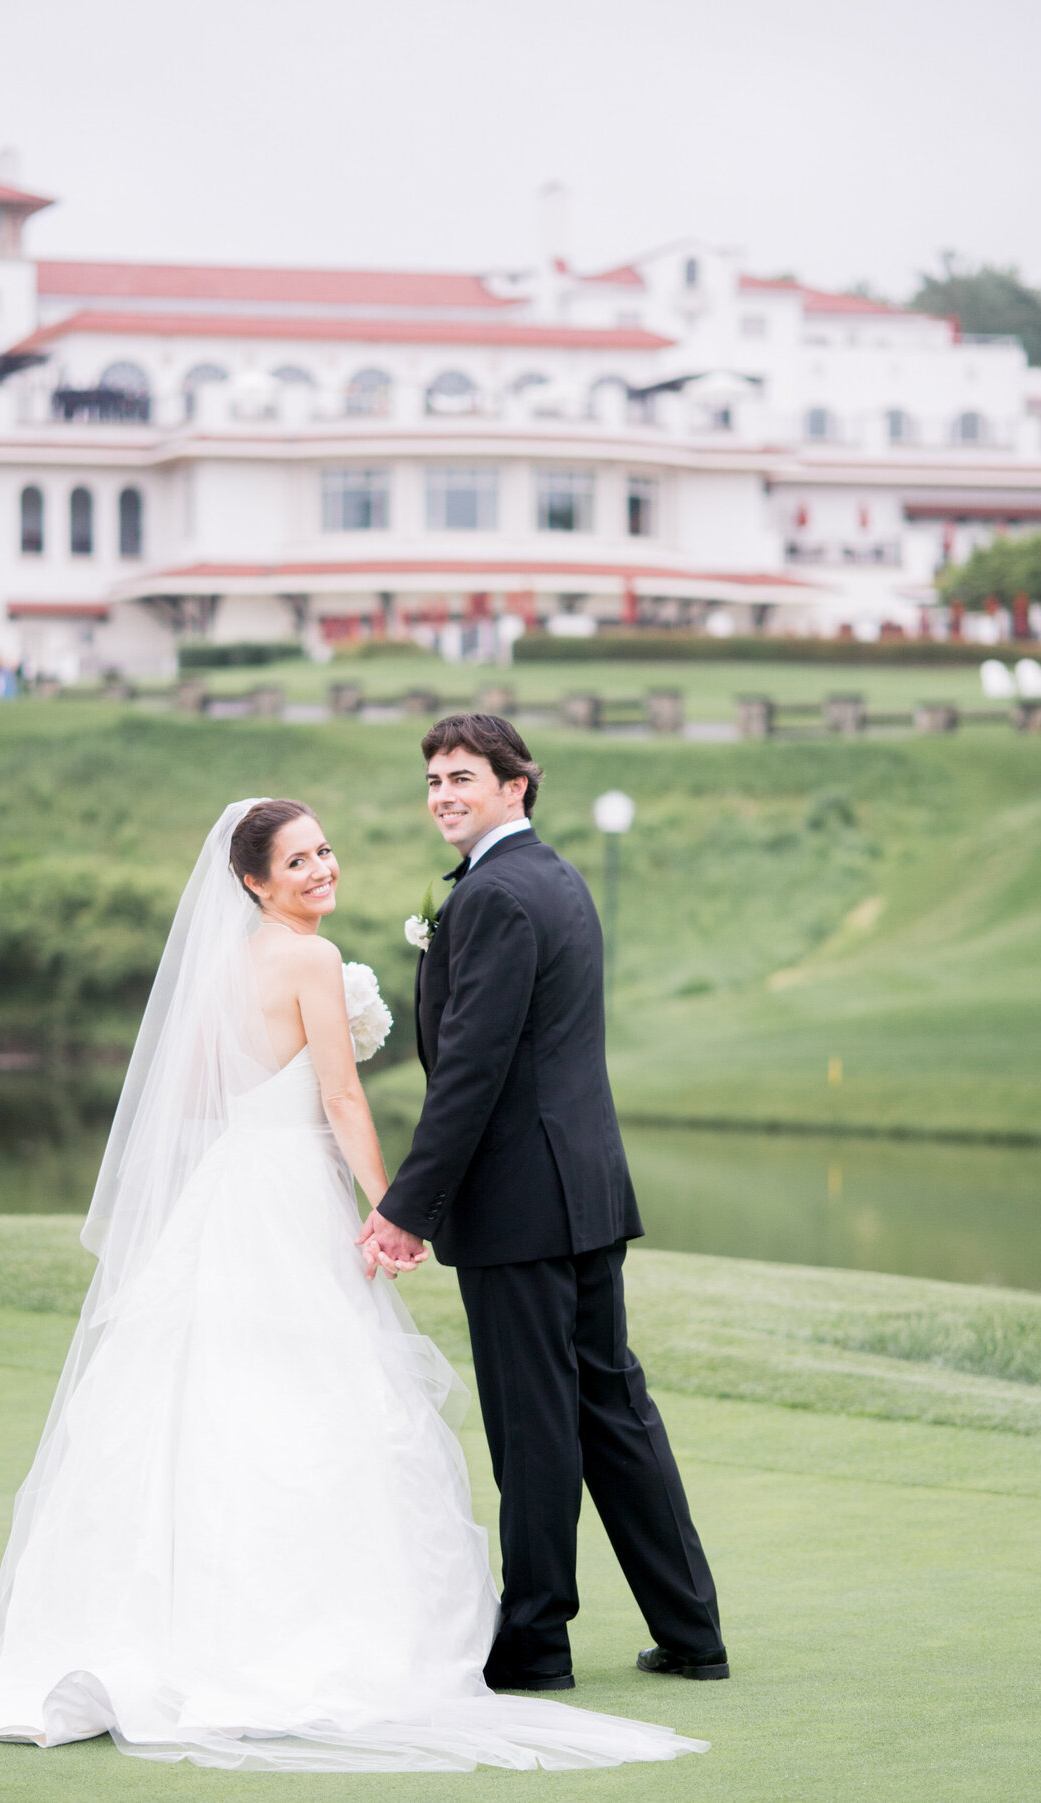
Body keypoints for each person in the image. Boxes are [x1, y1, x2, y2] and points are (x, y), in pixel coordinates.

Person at [0, 798, 707, 1773]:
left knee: (205, 1406)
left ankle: (170, 1631)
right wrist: (393, 1210)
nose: (322, 869)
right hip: (291, 1196)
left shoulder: (220, 968)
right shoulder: (313, 963)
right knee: (311, 1404)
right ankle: (304, 1638)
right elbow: (341, 1098)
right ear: (254, 881)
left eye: (325, 851)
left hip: (227, 1195)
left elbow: (192, 1101)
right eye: (299, 861)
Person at [361, 716, 728, 1692]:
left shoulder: (494, 898)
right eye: (434, 778)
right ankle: (692, 1632)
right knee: (612, 1409)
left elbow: (472, 1072)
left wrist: (407, 1205)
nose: (443, 793)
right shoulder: (556, 880)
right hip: (586, 1195)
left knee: (535, 1426)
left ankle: (534, 1644)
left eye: (464, 777)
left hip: (522, 1206)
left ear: (516, 785)